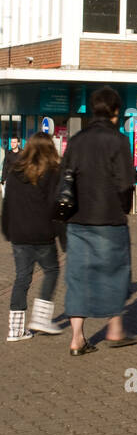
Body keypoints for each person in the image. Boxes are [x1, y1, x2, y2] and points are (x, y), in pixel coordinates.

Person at [62, 86, 137, 355]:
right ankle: (115, 331)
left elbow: (65, 178)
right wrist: (124, 210)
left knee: (78, 277)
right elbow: (126, 184)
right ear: (116, 111)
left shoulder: (77, 140)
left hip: (77, 220)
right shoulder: (117, 140)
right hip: (108, 218)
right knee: (114, 273)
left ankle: (77, 339)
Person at [1, 132, 64, 341]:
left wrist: (7, 230)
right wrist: (62, 238)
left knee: (22, 278)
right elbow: (56, 207)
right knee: (52, 270)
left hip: (19, 234)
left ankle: (15, 330)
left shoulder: (15, 171)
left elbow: (7, 204)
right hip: (42, 233)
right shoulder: (52, 172)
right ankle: (40, 317)